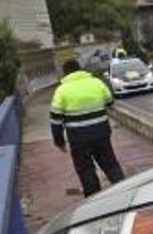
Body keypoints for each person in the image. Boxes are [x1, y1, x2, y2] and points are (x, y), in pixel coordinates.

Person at [50, 59, 125, 197]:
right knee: (110, 164)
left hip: (78, 139)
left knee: (85, 170)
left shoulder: (61, 91)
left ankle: (93, 200)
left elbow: (55, 120)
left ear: (65, 73)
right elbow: (110, 103)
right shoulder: (97, 83)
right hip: (101, 134)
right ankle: (125, 192)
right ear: (80, 70)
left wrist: (59, 141)